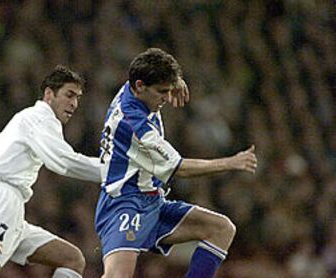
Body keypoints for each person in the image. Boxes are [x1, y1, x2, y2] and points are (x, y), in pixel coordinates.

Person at [94, 48, 258, 278]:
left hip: (152, 201)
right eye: (162, 92)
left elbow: (148, 62)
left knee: (221, 229)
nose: (165, 97)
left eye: (168, 90)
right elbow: (179, 168)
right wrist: (231, 162)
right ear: (140, 86)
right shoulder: (135, 126)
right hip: (123, 204)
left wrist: (175, 80)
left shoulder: (129, 89)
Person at [0, 65, 104, 278]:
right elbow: (64, 161)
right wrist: (113, 171)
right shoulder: (41, 118)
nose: (74, 103)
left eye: (77, 98)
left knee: (71, 259)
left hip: (9, 207)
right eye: (69, 95)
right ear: (49, 94)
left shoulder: (20, 124)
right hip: (0, 200)